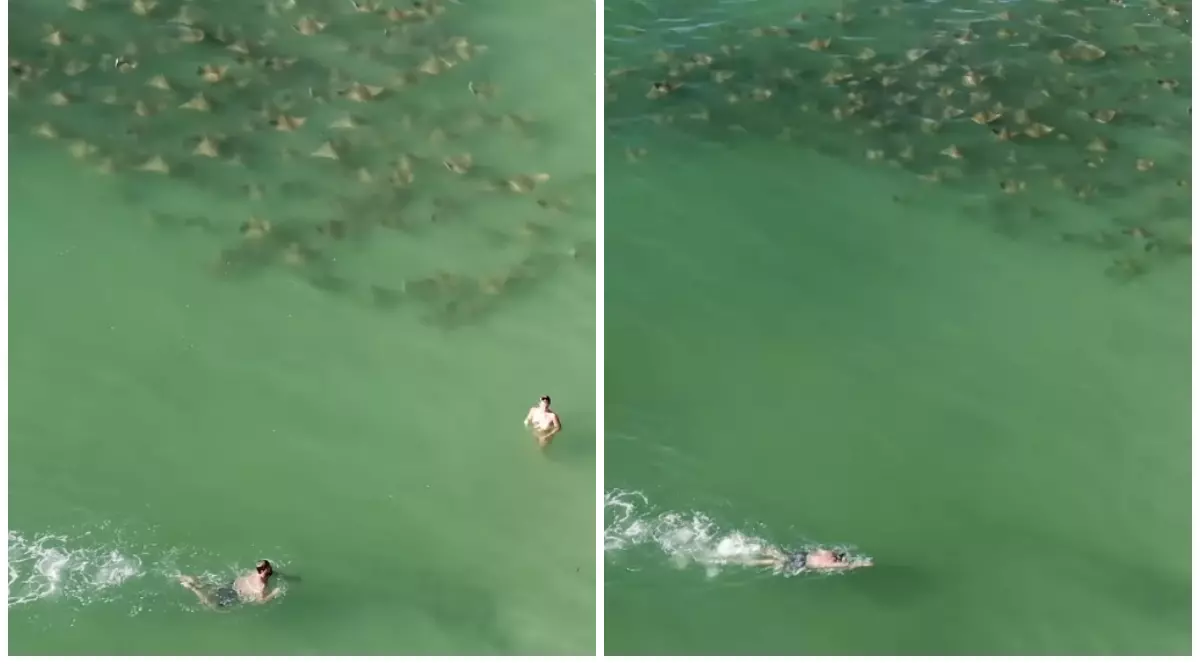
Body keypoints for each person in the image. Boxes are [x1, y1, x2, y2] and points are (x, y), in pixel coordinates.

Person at [179, 559, 285, 609]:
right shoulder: (261, 586)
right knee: (209, 604)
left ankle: (186, 578)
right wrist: (274, 593)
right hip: (233, 595)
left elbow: (245, 573)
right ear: (263, 571)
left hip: (232, 582)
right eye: (268, 568)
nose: (270, 568)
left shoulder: (254, 572)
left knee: (208, 585)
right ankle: (193, 588)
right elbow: (261, 601)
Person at [748, 546, 873, 574]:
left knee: (781, 555)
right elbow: (847, 566)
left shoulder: (829, 552)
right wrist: (863, 563)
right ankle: (752, 562)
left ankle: (756, 549)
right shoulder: (832, 564)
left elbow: (819, 549)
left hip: (802, 555)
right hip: (803, 563)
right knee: (776, 563)